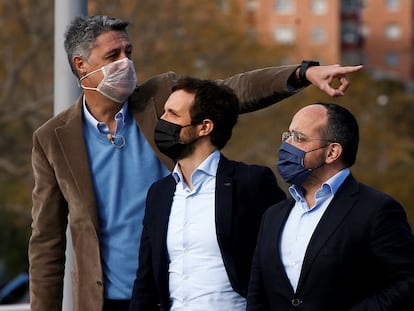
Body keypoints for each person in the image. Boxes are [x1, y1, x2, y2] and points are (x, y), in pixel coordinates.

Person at [28, 14, 362, 311]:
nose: (125, 62)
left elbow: (232, 91)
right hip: (105, 300)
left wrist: (303, 73)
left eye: (128, 52)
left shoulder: (160, 99)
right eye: (112, 55)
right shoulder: (52, 139)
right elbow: (47, 240)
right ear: (81, 64)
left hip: (174, 293)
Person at [128, 76, 286, 311]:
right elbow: (145, 280)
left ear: (204, 127)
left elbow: (278, 262)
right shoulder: (160, 193)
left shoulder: (251, 183)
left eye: (172, 114)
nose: (162, 121)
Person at [247, 102, 414, 311]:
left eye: (299, 138)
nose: (287, 146)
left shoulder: (376, 210)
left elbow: (407, 283)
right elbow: (257, 293)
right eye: (287, 136)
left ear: (332, 152)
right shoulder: (273, 215)